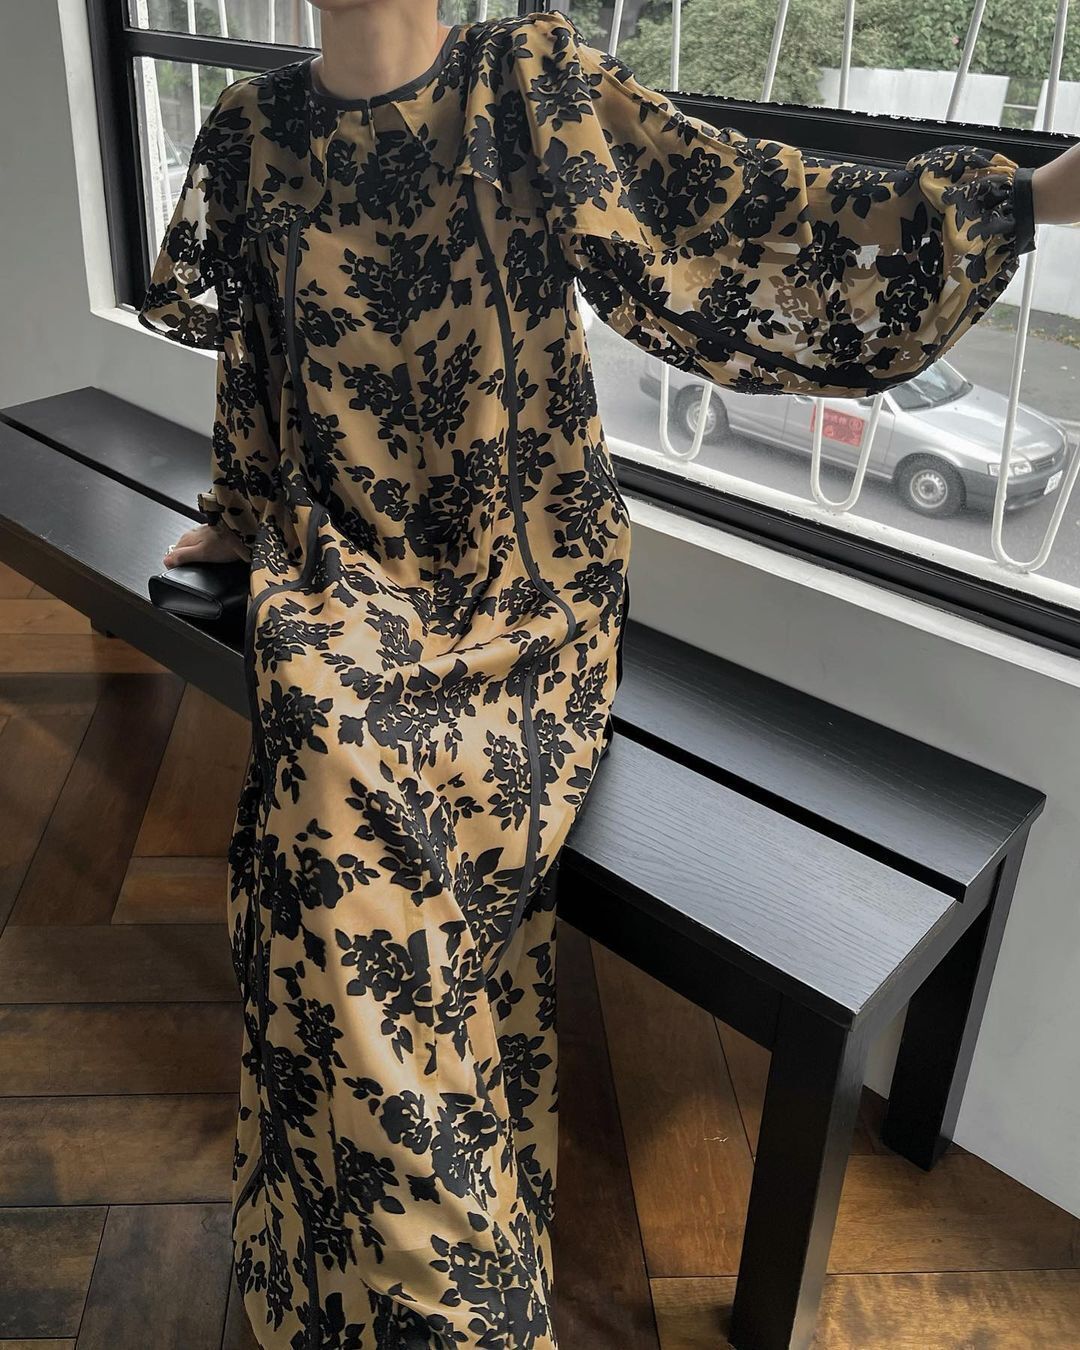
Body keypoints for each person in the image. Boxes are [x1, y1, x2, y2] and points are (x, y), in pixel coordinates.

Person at [140, 4, 1079, 1346]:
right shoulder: (251, 133)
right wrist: (238, 516)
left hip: (526, 599)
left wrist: (1028, 202)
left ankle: (406, 1305)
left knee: (338, 824)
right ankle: (382, 1284)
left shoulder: (524, 86)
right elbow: (259, 370)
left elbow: (752, 223)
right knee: (324, 810)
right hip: (342, 579)